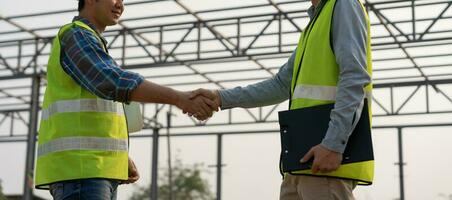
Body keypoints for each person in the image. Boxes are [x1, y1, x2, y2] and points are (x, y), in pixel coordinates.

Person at [190, 0, 373, 199]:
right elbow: (281, 84)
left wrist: (333, 143)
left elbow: (354, 77)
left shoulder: (343, 5)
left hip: (324, 162)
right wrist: (220, 98)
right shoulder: (316, 22)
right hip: (302, 162)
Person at [34, 0, 216, 199]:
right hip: (82, 171)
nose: (120, 4)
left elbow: (95, 112)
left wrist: (120, 157)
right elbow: (112, 81)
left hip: (92, 171)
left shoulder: (88, 39)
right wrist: (179, 98)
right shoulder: (77, 34)